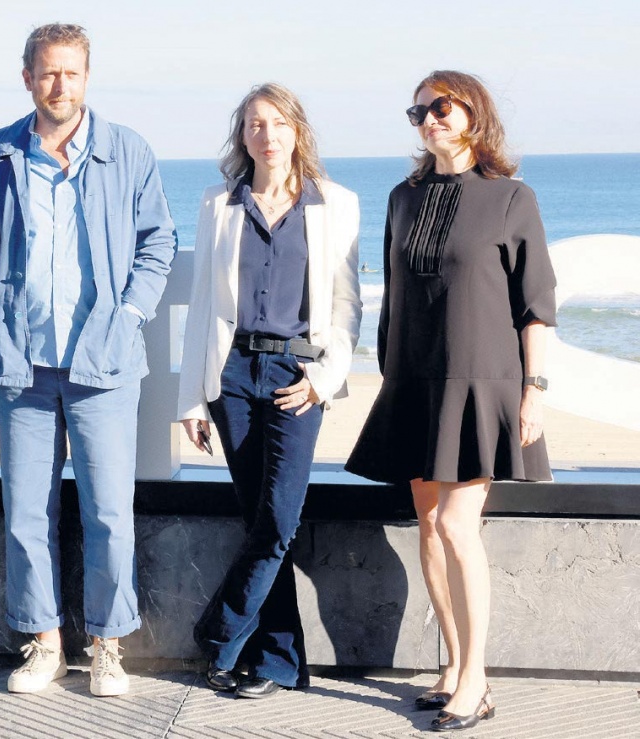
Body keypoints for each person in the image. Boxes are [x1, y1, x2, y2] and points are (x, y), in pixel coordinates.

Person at [0, 23, 176, 697]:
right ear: (28, 77)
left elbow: (158, 241)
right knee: (27, 511)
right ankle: (44, 642)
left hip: (103, 363)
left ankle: (108, 645)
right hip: (21, 363)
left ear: (87, 77)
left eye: (71, 72)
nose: (60, 84)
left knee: (109, 511)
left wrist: (129, 315)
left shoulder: (126, 150)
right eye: (48, 72)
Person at [346, 70, 557, 731]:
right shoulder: (402, 198)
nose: (430, 119)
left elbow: (536, 304)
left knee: (460, 528)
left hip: (481, 382)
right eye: (419, 112)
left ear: (474, 113)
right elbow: (393, 295)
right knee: (430, 524)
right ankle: (455, 663)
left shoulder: (511, 197)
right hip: (413, 382)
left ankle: (477, 680)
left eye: (442, 106)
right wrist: (388, 375)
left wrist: (534, 389)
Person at [177, 83, 362, 699]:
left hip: (296, 378)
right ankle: (278, 662)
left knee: (278, 521)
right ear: (243, 135)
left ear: (297, 130)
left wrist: (324, 380)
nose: (268, 134)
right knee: (259, 521)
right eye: (256, 124)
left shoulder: (335, 203)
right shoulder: (219, 203)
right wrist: (191, 397)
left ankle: (219, 634)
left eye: (279, 123)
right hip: (231, 376)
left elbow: (347, 305)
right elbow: (202, 305)